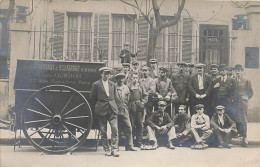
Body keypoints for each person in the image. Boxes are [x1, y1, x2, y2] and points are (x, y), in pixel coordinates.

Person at [90, 67, 120, 157]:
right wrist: (96, 108)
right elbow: (92, 98)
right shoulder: (96, 85)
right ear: (101, 74)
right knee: (103, 131)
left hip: (112, 109)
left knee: (115, 129)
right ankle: (106, 149)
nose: (106, 75)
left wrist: (117, 108)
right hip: (101, 109)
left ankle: (114, 149)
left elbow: (116, 98)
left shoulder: (113, 84)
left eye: (108, 73)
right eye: (104, 73)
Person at [233, 64, 253, 147]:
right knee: (237, 119)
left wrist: (246, 98)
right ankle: (240, 135)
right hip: (235, 102)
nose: (237, 72)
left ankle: (245, 138)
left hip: (243, 103)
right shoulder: (233, 80)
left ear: (242, 71)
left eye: (239, 70)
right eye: (236, 70)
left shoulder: (246, 80)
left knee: (243, 119)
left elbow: (250, 92)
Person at [115, 73, 137, 151]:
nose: (121, 80)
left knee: (128, 128)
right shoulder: (114, 87)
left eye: (122, 78)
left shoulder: (126, 88)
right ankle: (115, 147)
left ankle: (129, 146)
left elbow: (128, 100)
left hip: (125, 111)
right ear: (116, 79)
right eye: (119, 78)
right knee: (116, 129)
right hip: (116, 111)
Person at [128, 72, 147, 148]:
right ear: (131, 78)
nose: (135, 79)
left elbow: (145, 96)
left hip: (139, 108)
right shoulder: (128, 87)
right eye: (133, 77)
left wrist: (143, 102)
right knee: (131, 125)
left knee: (140, 125)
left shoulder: (140, 87)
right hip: (131, 108)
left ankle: (139, 142)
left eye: (136, 78)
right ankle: (131, 142)